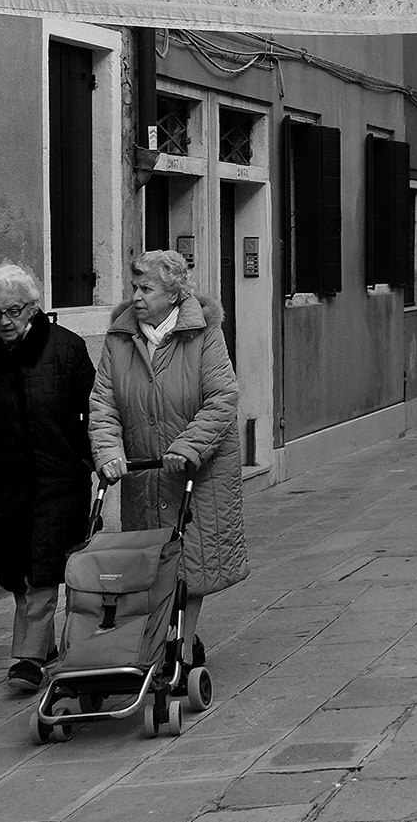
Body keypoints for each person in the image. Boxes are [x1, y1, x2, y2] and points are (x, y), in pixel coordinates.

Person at [0, 264, 96, 691]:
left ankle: (26, 659)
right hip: (2, 485)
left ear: (33, 307)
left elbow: (98, 413)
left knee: (43, 570)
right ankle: (42, 646)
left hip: (59, 480)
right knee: (16, 570)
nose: (4, 322)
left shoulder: (66, 349)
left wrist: (100, 458)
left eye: (13, 311)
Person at [91, 251, 247, 667]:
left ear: (174, 293)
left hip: (198, 471)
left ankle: (182, 645)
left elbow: (222, 398)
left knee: (190, 564)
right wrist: (108, 452)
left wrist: (186, 447)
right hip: (145, 473)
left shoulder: (203, 334)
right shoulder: (119, 339)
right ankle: (160, 643)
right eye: (134, 288)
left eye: (147, 288)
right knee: (152, 566)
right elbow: (103, 402)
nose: (136, 297)